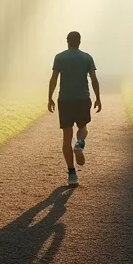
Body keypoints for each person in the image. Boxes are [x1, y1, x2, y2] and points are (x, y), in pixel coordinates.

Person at [48, 31, 101, 186]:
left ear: (67, 41)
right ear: (79, 42)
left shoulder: (59, 57)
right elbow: (94, 79)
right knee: (83, 128)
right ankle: (80, 144)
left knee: (66, 135)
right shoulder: (87, 58)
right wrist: (98, 97)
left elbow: (54, 79)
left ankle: (72, 174)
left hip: (64, 99)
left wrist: (49, 97)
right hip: (82, 98)